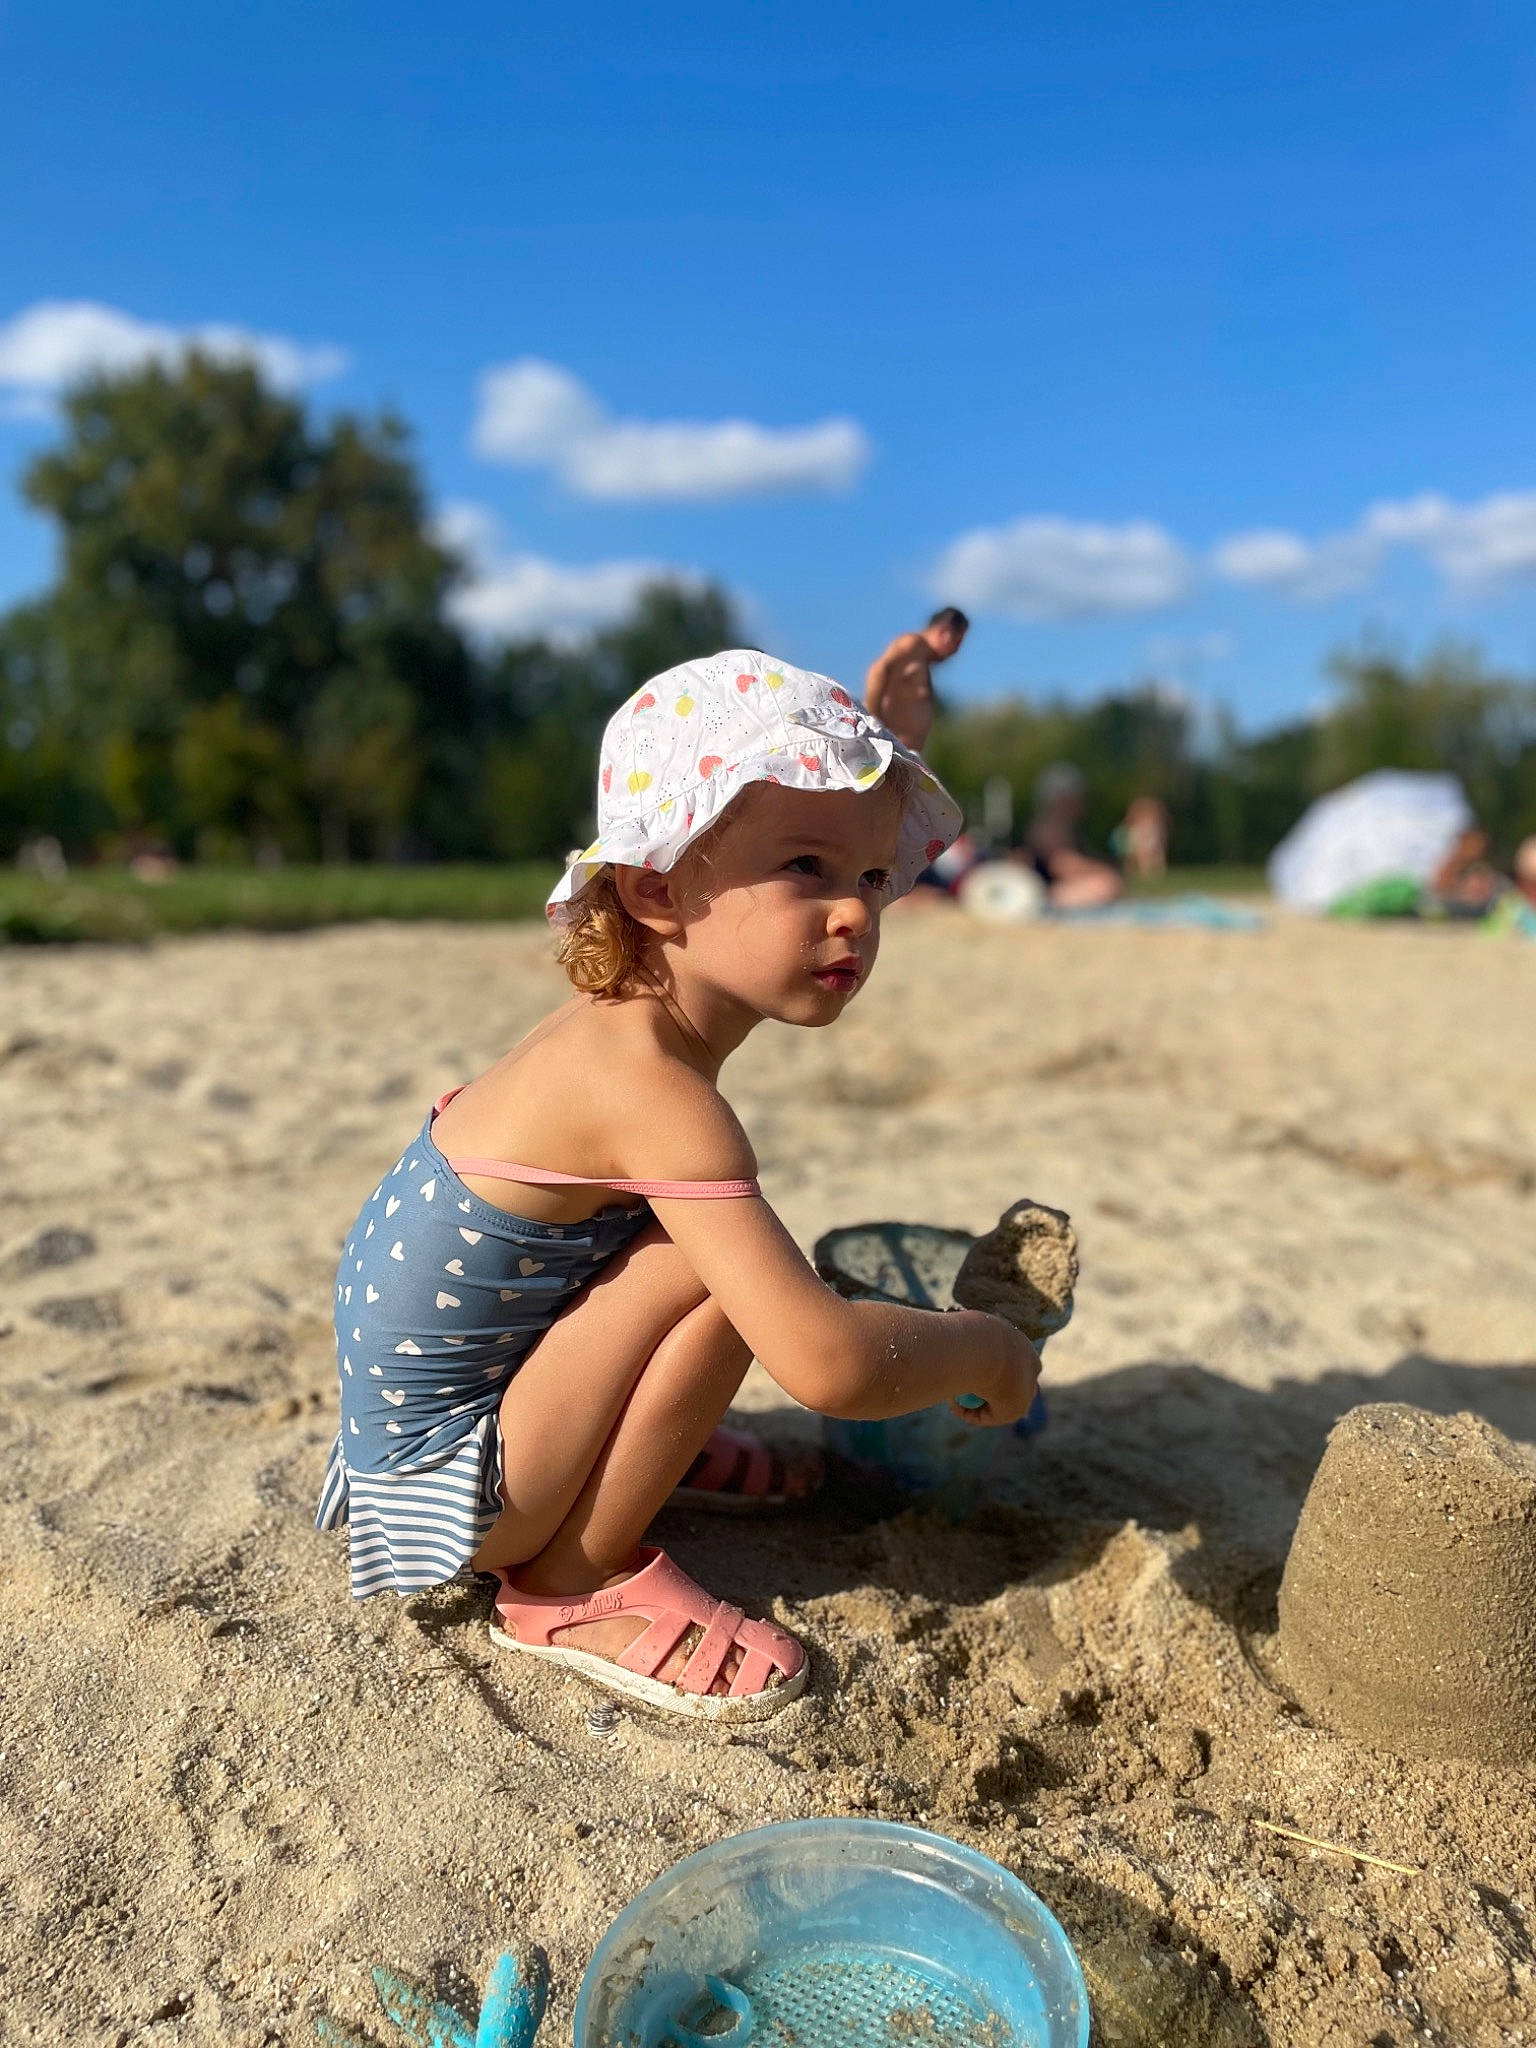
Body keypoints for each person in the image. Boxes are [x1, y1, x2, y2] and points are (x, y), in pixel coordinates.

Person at [315, 651, 1041, 1722]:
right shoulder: (655, 1094)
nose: (857, 911)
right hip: (460, 1497)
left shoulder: (620, 1033)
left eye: (876, 874)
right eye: (807, 867)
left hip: (423, 1442)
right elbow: (829, 1362)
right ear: (656, 887)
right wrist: (987, 1346)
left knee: (697, 1244)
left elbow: (828, 820)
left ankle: (637, 1449)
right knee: (733, 1276)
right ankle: (568, 1581)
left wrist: (882, 731)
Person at [864, 607, 968, 754]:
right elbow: (877, 671)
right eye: (957, 643)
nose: (955, 652)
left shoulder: (921, 661)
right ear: (944, 633)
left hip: (903, 757)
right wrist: (872, 722)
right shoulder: (913, 644)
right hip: (886, 753)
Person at [1024, 763, 1123, 908]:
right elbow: (1062, 864)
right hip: (1046, 892)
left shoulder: (1060, 825)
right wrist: (1103, 869)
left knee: (1107, 883)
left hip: (1054, 888)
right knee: (1106, 884)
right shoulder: (1050, 826)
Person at [1111, 794, 1169, 880]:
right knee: (1137, 858)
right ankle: (1146, 873)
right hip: (1141, 841)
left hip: (1147, 841)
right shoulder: (1141, 822)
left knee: (1150, 857)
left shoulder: (1154, 823)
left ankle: (1151, 873)